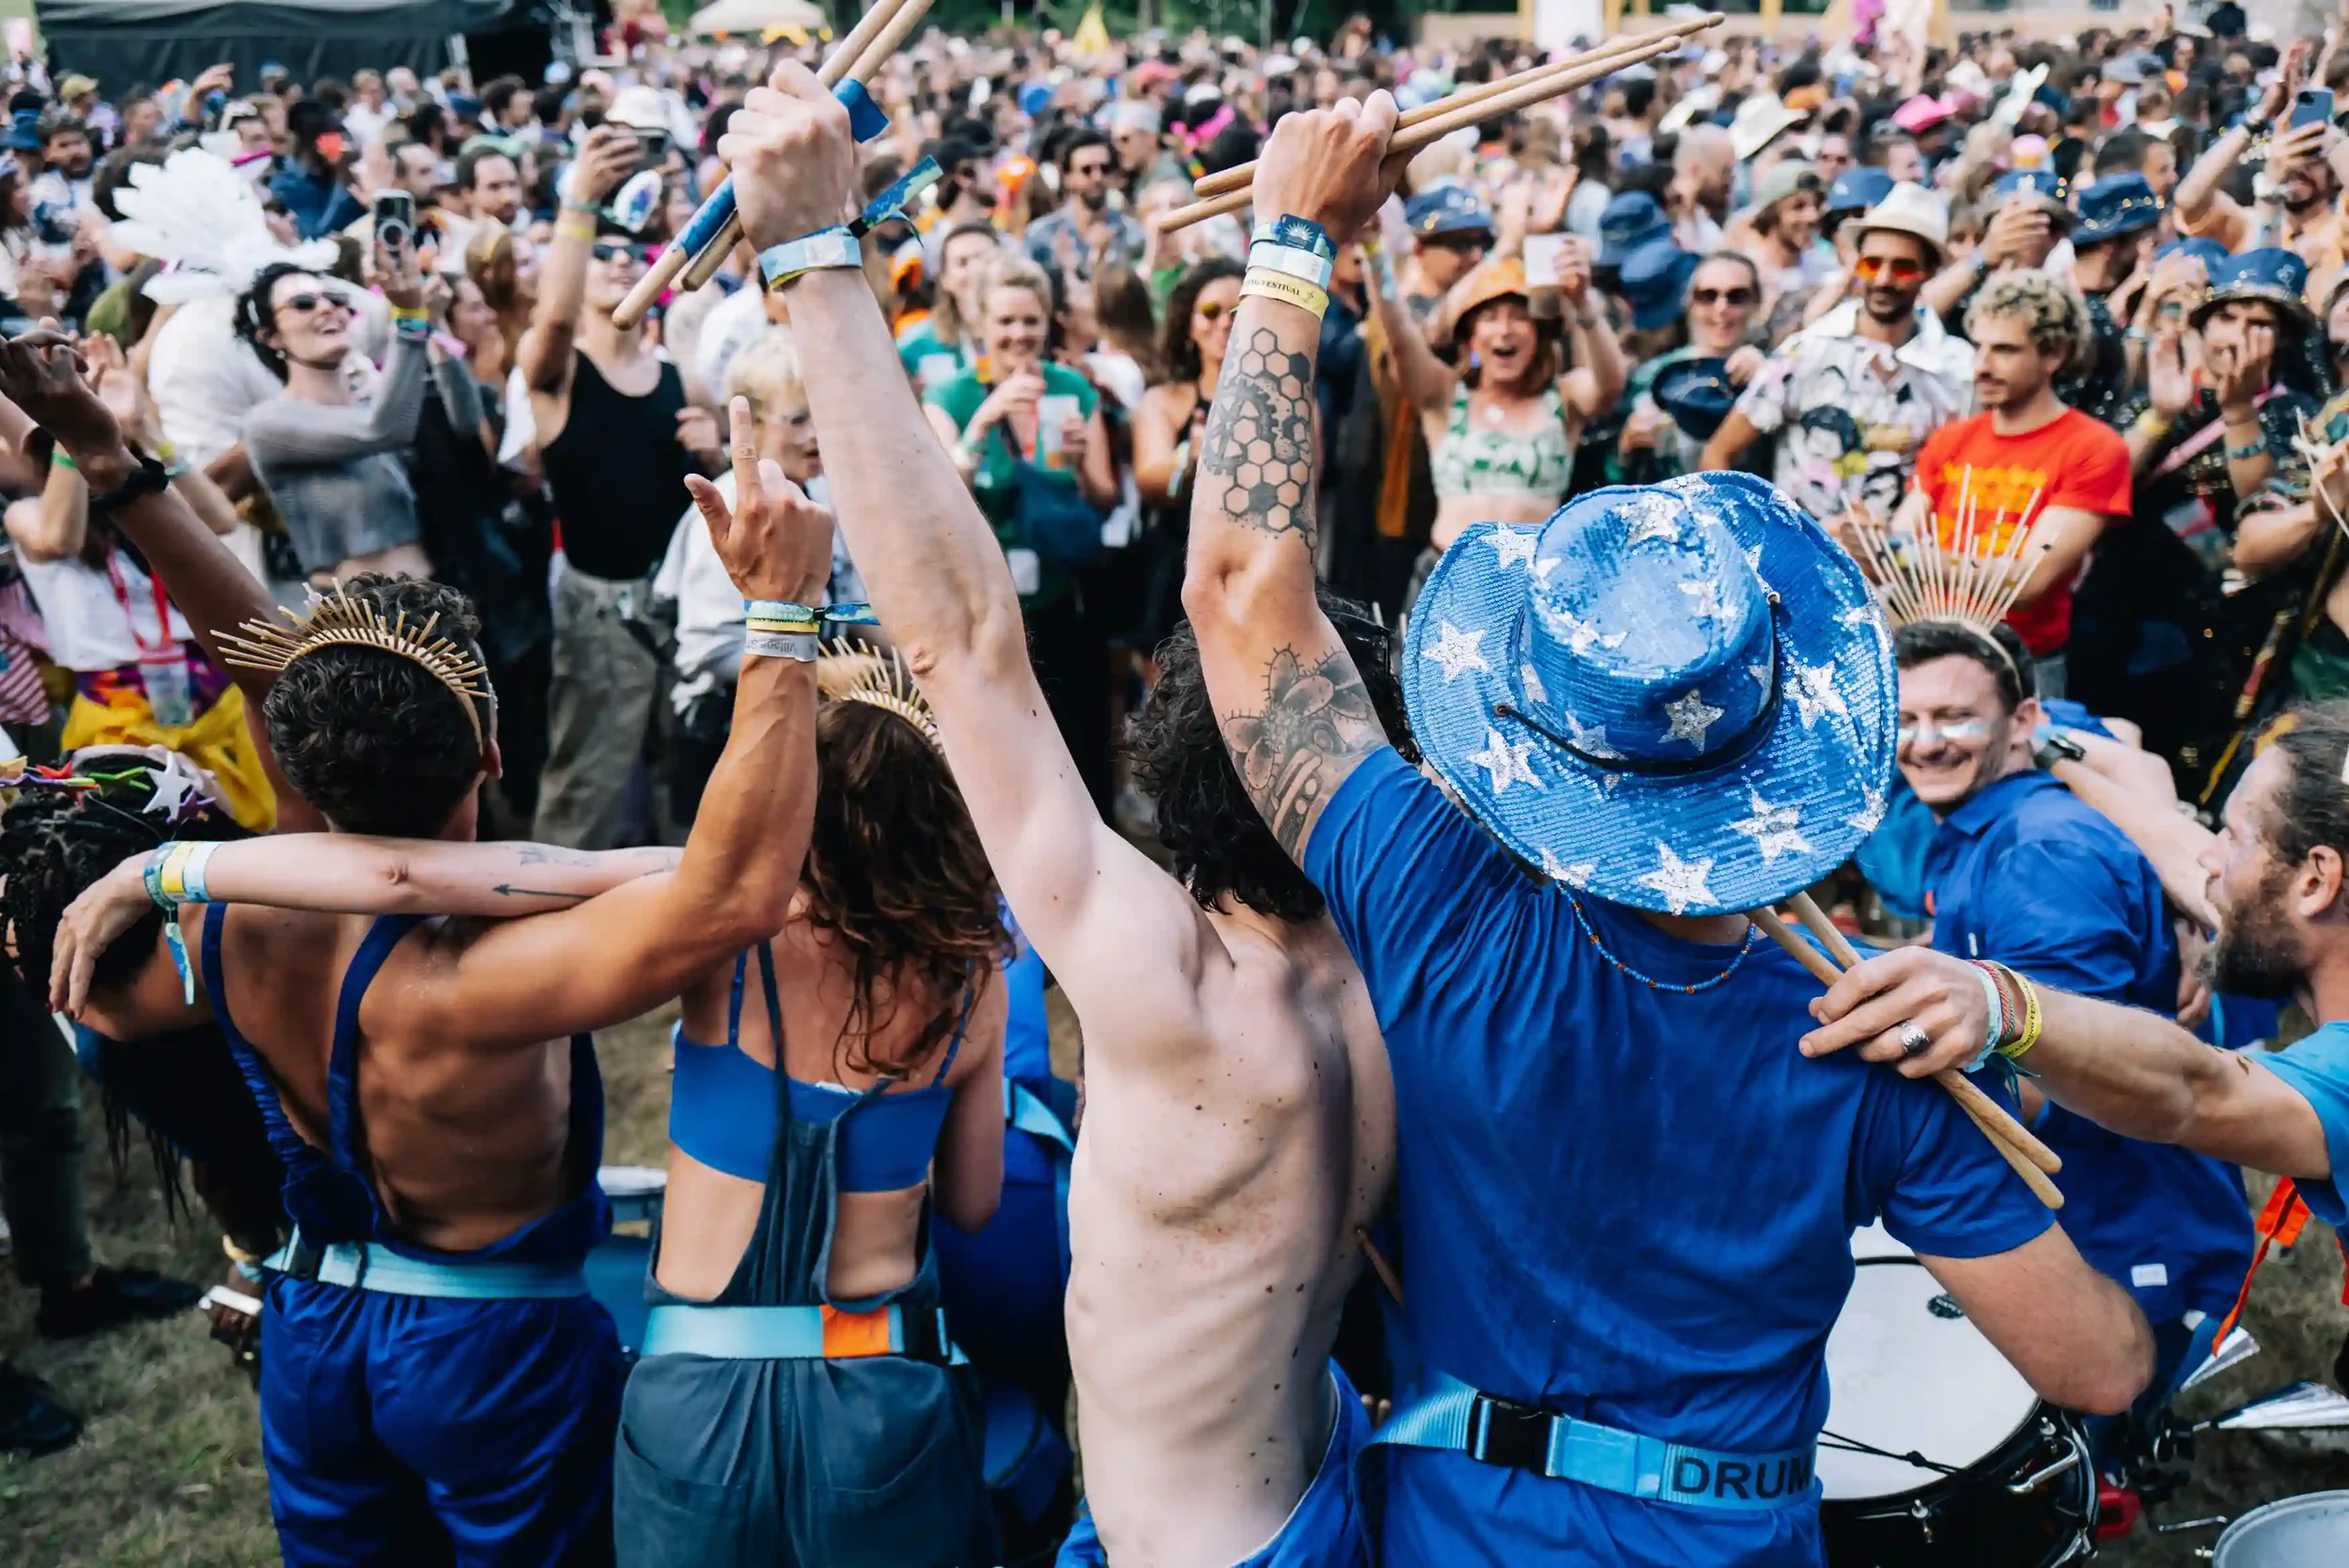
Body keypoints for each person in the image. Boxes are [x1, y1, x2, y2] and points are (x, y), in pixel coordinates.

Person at [1176, 93, 2152, 1566]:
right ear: (1795, 726)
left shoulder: (1435, 899)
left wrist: (1294, 240)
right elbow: (2100, 1367)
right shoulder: (1869, 1041)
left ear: (1528, 725)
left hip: (1467, 1525)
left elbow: (1240, 586)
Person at [3, 317, 831, 1566]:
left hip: (311, 1333)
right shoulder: (495, 976)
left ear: (299, 754)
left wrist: (108, 459)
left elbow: (262, 654)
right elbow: (740, 891)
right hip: (488, 1356)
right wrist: (782, 614)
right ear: (491, 750)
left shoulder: (231, 918)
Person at [716, 64, 1398, 1568]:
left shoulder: (1189, 994)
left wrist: (817, 256)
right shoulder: (1410, 968)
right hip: (1323, 1487)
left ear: (1169, 768)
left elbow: (966, 647)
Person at [1803, 700, 2349, 1358]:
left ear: (2317, 879)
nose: (2206, 857)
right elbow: (2170, 840)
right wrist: (2047, 748)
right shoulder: (2294, 888)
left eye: (2231, 836)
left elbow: (2196, 1090)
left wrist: (2002, 1003)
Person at [1890, 618, 2253, 1440]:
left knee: (2062, 1462)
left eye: (1954, 716)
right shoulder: (1990, 817)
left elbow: (2054, 1077)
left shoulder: (2040, 856)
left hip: (2123, 1231)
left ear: (2025, 721)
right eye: (1908, 719)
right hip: (2083, 1209)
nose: (1925, 741)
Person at [520, 123, 721, 848]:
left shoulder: (681, 378)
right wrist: (579, 200)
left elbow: (716, 495)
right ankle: (553, 904)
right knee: (588, 783)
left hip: (680, 607)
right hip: (599, 611)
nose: (616, 262)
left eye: (627, 253)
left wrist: (716, 453)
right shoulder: (559, 372)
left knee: (688, 780)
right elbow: (552, 316)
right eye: (599, 255)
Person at [922, 252, 1117, 810]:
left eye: (1030, 320)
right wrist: (985, 420)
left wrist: (1080, 464)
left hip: (1063, 598)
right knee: (1005, 749)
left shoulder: (1072, 388)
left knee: (1079, 740)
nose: (1019, 334)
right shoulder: (952, 396)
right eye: (1005, 321)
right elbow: (940, 498)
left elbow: (1103, 497)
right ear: (981, 323)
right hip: (987, 603)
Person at [1898, 271, 2132, 700]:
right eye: (1978, 347)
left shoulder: (2094, 447)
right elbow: (1899, 538)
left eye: (2004, 350)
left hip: (2022, 668)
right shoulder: (1951, 439)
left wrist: (1904, 555)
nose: (1982, 366)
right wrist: (1867, 543)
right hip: (1929, 654)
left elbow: (2029, 582)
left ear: (2054, 355)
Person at [1702, 183, 1972, 527]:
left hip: (1899, 557)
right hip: (1799, 554)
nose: (1883, 279)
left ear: (1928, 272)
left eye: (1903, 267)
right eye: (1872, 264)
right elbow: (1718, 453)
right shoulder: (1808, 351)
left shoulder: (1956, 370)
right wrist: (1750, 539)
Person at [1369, 244, 1624, 604]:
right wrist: (1375, 256)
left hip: (1531, 585)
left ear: (1539, 334)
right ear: (1471, 337)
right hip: (1449, 579)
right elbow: (1400, 337)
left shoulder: (1564, 399)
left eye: (1519, 317)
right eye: (1490, 318)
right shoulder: (1444, 396)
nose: (1505, 330)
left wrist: (1583, 305)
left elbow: (1610, 385)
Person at [234, 241, 470, 583]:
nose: (326, 309)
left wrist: (433, 325)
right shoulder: (267, 424)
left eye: (335, 299)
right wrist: (409, 319)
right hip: (357, 609)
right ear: (271, 337)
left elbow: (465, 423)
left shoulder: (375, 398)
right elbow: (381, 430)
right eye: (303, 304)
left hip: (436, 590)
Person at [1131, 258, 1242, 660]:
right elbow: (1149, 479)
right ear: (1189, 326)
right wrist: (1191, 459)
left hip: (1251, 577)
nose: (1225, 323)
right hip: (1177, 572)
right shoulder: (1165, 400)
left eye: (1238, 311)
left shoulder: (1291, 401)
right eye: (1210, 312)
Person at [1610, 250, 1763, 484]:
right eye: (1708, 296)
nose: (1721, 308)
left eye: (1737, 296)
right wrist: (1626, 449)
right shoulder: (1655, 376)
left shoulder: (1773, 370)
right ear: (1690, 303)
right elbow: (1612, 476)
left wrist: (1768, 376)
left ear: (1756, 303)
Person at [1023, 129, 1142, 279]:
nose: (1097, 177)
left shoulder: (1131, 234)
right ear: (1068, 178)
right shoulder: (1042, 236)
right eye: (1087, 170)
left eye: (1104, 169)